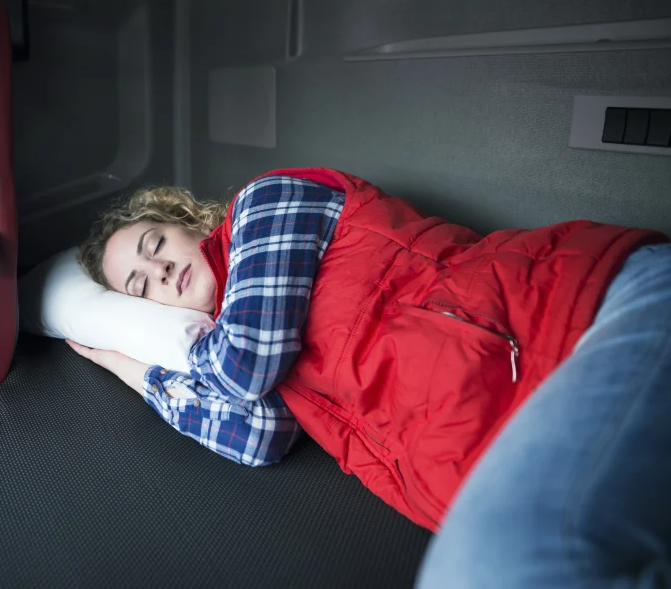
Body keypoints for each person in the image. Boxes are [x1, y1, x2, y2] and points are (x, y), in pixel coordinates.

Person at [69, 167, 671, 588]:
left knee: (488, 570)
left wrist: (168, 354)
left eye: (155, 243)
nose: (159, 269)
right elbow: (256, 438)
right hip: (526, 417)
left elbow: (244, 365)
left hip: (590, 311)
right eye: (140, 287)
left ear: (187, 223)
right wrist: (124, 362)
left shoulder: (266, 204)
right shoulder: (239, 335)